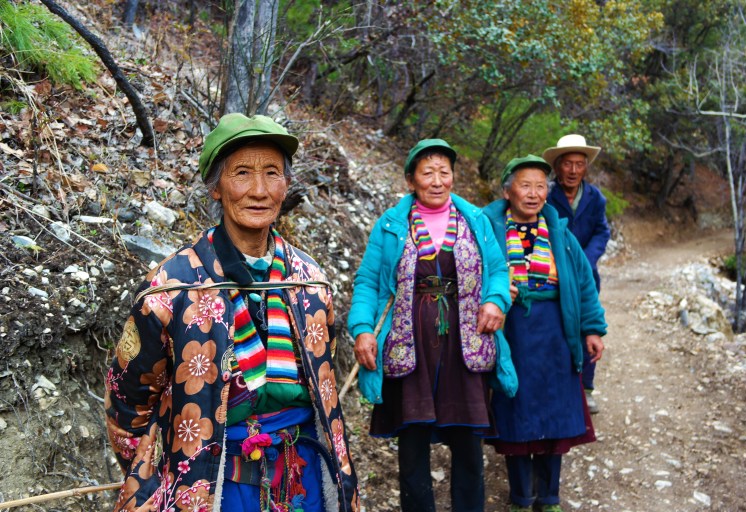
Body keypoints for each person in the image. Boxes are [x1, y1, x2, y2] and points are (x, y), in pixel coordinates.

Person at [105, 113, 359, 512]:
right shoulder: (170, 289)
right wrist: (158, 480)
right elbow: (127, 406)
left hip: (302, 479)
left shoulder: (311, 283)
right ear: (216, 189)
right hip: (214, 487)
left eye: (272, 173)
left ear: (286, 185)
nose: (259, 190)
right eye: (241, 173)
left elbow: (323, 390)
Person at [348, 139, 517, 512]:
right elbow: (367, 281)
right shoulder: (391, 224)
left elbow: (499, 271)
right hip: (410, 344)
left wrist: (495, 300)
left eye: (444, 172)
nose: (437, 180)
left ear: (453, 177)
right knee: (412, 445)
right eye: (428, 173)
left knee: (469, 446)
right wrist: (362, 328)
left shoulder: (476, 220)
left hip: (465, 342)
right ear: (411, 180)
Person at [484, 155, 607, 512]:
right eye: (526, 185)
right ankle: (521, 498)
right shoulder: (487, 229)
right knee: (516, 411)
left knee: (555, 414)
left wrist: (592, 328)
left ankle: (549, 497)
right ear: (508, 190)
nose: (534, 193)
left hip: (556, 332)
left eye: (541, 186)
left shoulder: (560, 234)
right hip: (513, 334)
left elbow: (582, 283)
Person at [543, 134, 610, 414]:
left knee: (587, 327)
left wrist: (586, 260)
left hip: (585, 276)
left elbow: (601, 231)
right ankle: (556, 385)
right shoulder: (544, 194)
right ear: (557, 167)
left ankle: (586, 388)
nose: (573, 170)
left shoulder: (595, 198)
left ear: (586, 168)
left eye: (579, 164)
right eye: (567, 164)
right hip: (550, 273)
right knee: (554, 325)